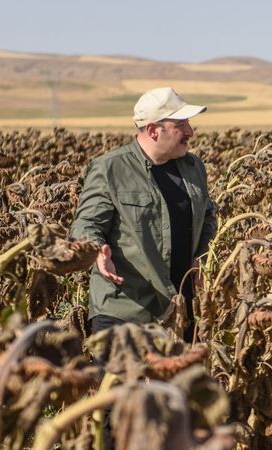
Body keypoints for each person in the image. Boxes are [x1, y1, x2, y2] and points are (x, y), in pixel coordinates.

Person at [71, 87, 218, 341]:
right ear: (153, 130)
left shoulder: (193, 167)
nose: (190, 132)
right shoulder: (110, 168)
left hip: (179, 310)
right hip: (124, 311)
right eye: (181, 125)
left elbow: (208, 217)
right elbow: (86, 223)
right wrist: (96, 250)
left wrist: (201, 256)